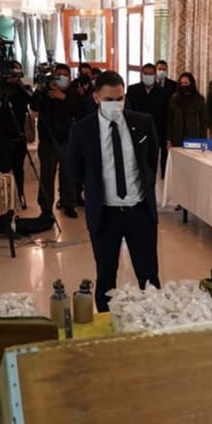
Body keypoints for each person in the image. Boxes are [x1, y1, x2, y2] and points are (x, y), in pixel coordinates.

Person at [68, 71, 161, 312]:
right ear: (96, 98)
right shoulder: (82, 130)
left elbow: (151, 159)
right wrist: (91, 190)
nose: (115, 104)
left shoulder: (143, 122)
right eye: (109, 100)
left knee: (149, 275)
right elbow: (75, 169)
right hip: (105, 214)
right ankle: (106, 322)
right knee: (106, 276)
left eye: (120, 99)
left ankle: (154, 318)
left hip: (139, 210)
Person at [30, 63, 81, 220]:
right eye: (59, 75)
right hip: (47, 140)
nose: (62, 78)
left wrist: (63, 98)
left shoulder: (73, 93)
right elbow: (34, 107)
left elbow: (79, 111)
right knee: (47, 175)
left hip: (67, 140)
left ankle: (69, 204)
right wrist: (39, 90)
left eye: (65, 75)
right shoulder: (46, 92)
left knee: (68, 174)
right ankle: (46, 208)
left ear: (70, 77)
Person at [0, 61, 33, 208]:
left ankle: (20, 195)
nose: (15, 76)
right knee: (2, 168)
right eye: (12, 72)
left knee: (18, 168)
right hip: (2, 137)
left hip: (18, 136)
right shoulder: (0, 88)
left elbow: (30, 100)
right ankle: (2, 198)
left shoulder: (23, 89)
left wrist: (18, 85)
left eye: (17, 73)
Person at [127, 63, 170, 175]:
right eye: (146, 73)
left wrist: (166, 136)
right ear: (141, 74)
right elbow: (128, 111)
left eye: (151, 74)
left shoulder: (163, 93)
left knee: (152, 162)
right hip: (136, 131)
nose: (148, 76)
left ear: (155, 75)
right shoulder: (132, 90)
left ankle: (150, 181)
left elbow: (166, 115)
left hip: (155, 131)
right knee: (136, 162)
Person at [166, 72, 209, 152]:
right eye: (181, 83)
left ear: (191, 83)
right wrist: (168, 139)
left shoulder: (199, 99)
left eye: (186, 83)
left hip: (194, 138)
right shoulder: (174, 99)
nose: (183, 86)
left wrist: (203, 140)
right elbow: (169, 120)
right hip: (177, 138)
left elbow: (204, 122)